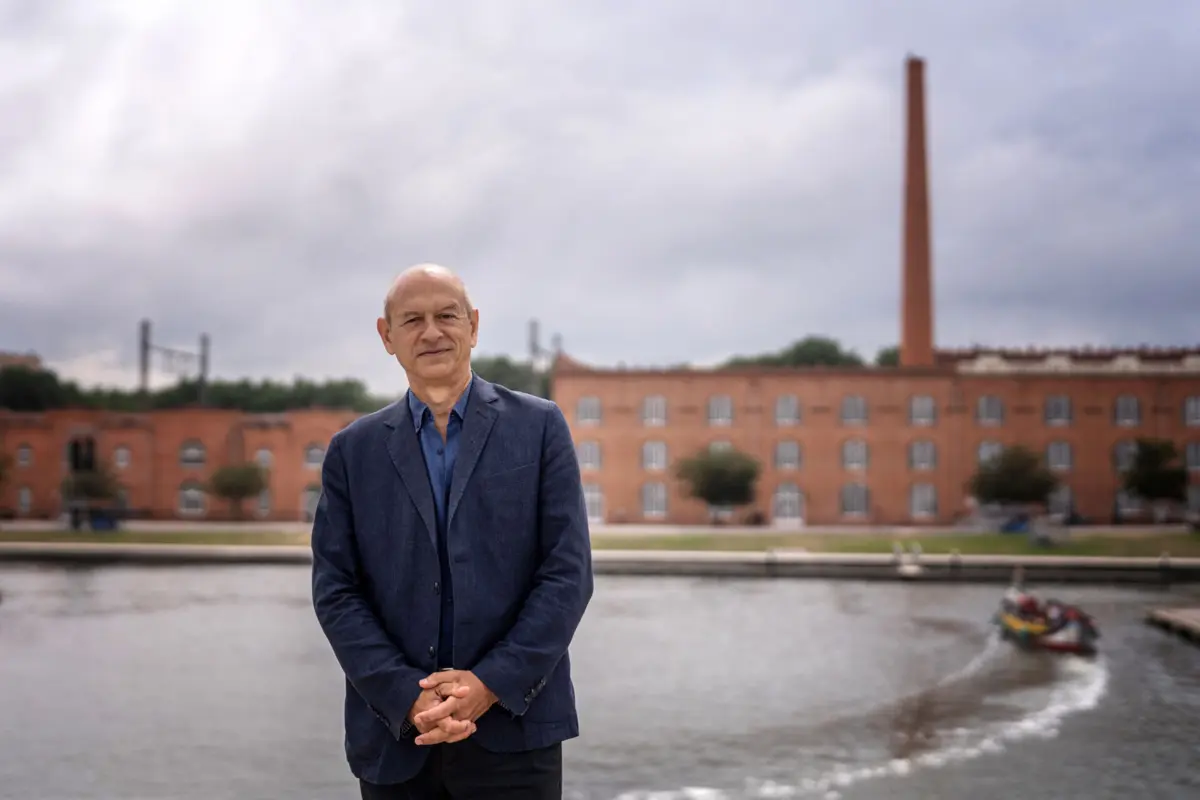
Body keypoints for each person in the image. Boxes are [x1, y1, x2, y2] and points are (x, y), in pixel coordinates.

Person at [311, 263, 595, 799]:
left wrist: (488, 686)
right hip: (396, 742)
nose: (432, 332)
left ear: (474, 325)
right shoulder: (352, 451)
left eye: (447, 315)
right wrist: (406, 696)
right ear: (386, 335)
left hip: (515, 733)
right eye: (412, 319)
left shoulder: (540, 428)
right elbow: (336, 591)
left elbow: (567, 575)